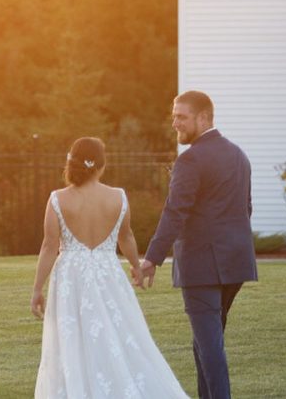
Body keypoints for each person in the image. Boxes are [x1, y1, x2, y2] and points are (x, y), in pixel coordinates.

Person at [32, 137, 189, 399]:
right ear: (101, 165)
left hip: (70, 276)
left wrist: (37, 288)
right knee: (118, 333)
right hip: (108, 273)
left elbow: (49, 246)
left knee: (73, 340)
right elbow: (126, 237)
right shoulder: (118, 197)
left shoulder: (58, 199)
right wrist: (137, 266)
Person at [140, 91, 257, 399]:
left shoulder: (190, 159)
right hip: (236, 263)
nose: (175, 122)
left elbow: (175, 211)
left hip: (203, 266)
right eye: (174, 115)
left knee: (209, 348)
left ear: (203, 117)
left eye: (182, 116)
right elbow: (246, 208)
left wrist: (152, 258)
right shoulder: (239, 155)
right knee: (205, 343)